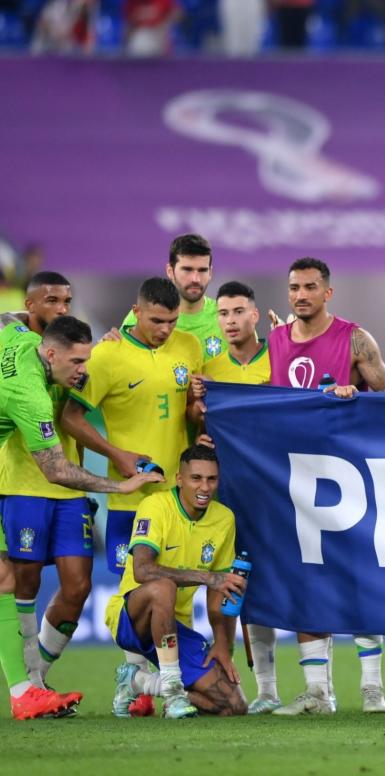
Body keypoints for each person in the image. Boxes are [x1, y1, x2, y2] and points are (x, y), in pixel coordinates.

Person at [0, 315, 161, 719]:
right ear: (50, 353)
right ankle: (25, 691)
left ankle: (26, 690)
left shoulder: (21, 338)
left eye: (87, 361)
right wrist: (119, 488)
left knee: (5, 579)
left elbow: (7, 318)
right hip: (19, 486)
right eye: (76, 363)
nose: (83, 372)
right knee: (6, 579)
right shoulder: (30, 395)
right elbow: (57, 470)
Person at [61, 277, 202, 717]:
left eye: (172, 320)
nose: (165, 329)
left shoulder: (189, 348)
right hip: (129, 501)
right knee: (138, 590)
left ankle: (144, 683)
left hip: (178, 499)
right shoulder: (107, 355)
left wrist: (198, 411)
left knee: (174, 592)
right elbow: (69, 416)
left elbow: (193, 416)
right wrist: (117, 454)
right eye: (157, 320)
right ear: (135, 312)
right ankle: (138, 686)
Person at [267, 257, 385, 716]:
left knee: (356, 579)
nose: (300, 294)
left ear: (328, 293)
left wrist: (356, 396)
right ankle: (318, 691)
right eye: (294, 287)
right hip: (293, 481)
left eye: (309, 287)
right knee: (306, 580)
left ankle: (372, 687)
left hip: (347, 477)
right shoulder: (276, 340)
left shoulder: (355, 339)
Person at [107, 445, 248, 718]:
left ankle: (138, 682)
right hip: (131, 618)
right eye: (196, 478)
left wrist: (223, 645)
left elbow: (220, 591)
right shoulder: (156, 506)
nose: (204, 487)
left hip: (176, 624)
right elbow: (143, 571)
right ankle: (172, 693)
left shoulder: (224, 519)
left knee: (233, 705)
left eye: (212, 479)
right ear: (179, 479)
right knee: (162, 587)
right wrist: (206, 576)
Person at [0, 273, 91, 691]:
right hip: (22, 483)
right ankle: (28, 684)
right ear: (32, 305)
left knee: (78, 585)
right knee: (19, 580)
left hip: (67, 486)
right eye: (51, 300)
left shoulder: (76, 355)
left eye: (67, 300)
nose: (61, 308)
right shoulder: (22, 355)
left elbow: (75, 421)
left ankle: (35, 678)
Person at [192, 280, 275, 714]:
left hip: (279, 491)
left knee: (287, 579)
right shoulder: (210, 368)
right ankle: (266, 690)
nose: (230, 321)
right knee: (236, 585)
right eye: (223, 314)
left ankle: (320, 687)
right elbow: (194, 422)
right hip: (230, 494)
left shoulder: (279, 358)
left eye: (238, 312)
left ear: (255, 315)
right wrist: (199, 422)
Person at [121, 234, 224, 362]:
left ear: (210, 273)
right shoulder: (142, 316)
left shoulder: (228, 317)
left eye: (202, 270)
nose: (195, 279)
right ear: (170, 271)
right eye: (187, 269)